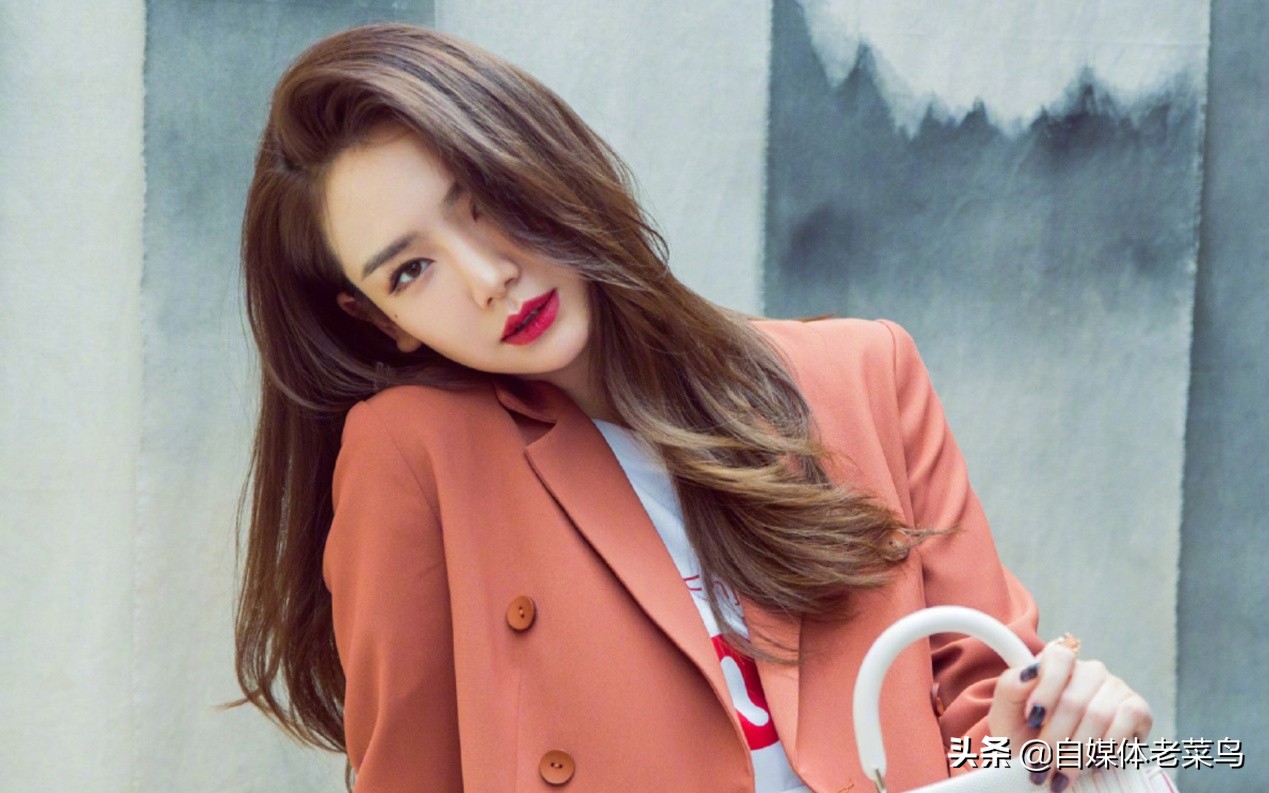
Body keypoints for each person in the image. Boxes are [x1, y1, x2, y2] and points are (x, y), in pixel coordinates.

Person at [233, 23, 1152, 793]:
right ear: (379, 321)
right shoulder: (416, 453)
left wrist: (1058, 729)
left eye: (480, 204)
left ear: (540, 162)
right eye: (411, 270)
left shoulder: (860, 373)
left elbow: (984, 718)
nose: (486, 277)